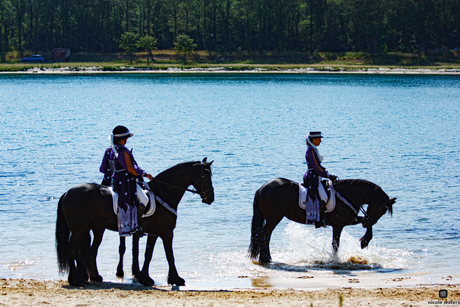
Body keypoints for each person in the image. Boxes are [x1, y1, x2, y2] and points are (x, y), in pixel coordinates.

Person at [100, 125, 153, 237]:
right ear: (121, 139)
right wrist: (144, 174)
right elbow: (131, 169)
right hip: (125, 182)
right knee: (145, 199)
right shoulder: (123, 151)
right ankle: (135, 226)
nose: (127, 140)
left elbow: (103, 169)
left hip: (113, 181)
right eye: (126, 138)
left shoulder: (109, 150)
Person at [303, 131, 337, 228]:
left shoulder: (313, 149)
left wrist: (327, 173)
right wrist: (327, 175)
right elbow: (316, 167)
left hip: (317, 175)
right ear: (313, 139)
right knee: (323, 196)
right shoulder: (310, 151)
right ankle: (318, 220)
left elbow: (319, 166)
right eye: (319, 139)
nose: (320, 141)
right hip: (312, 177)